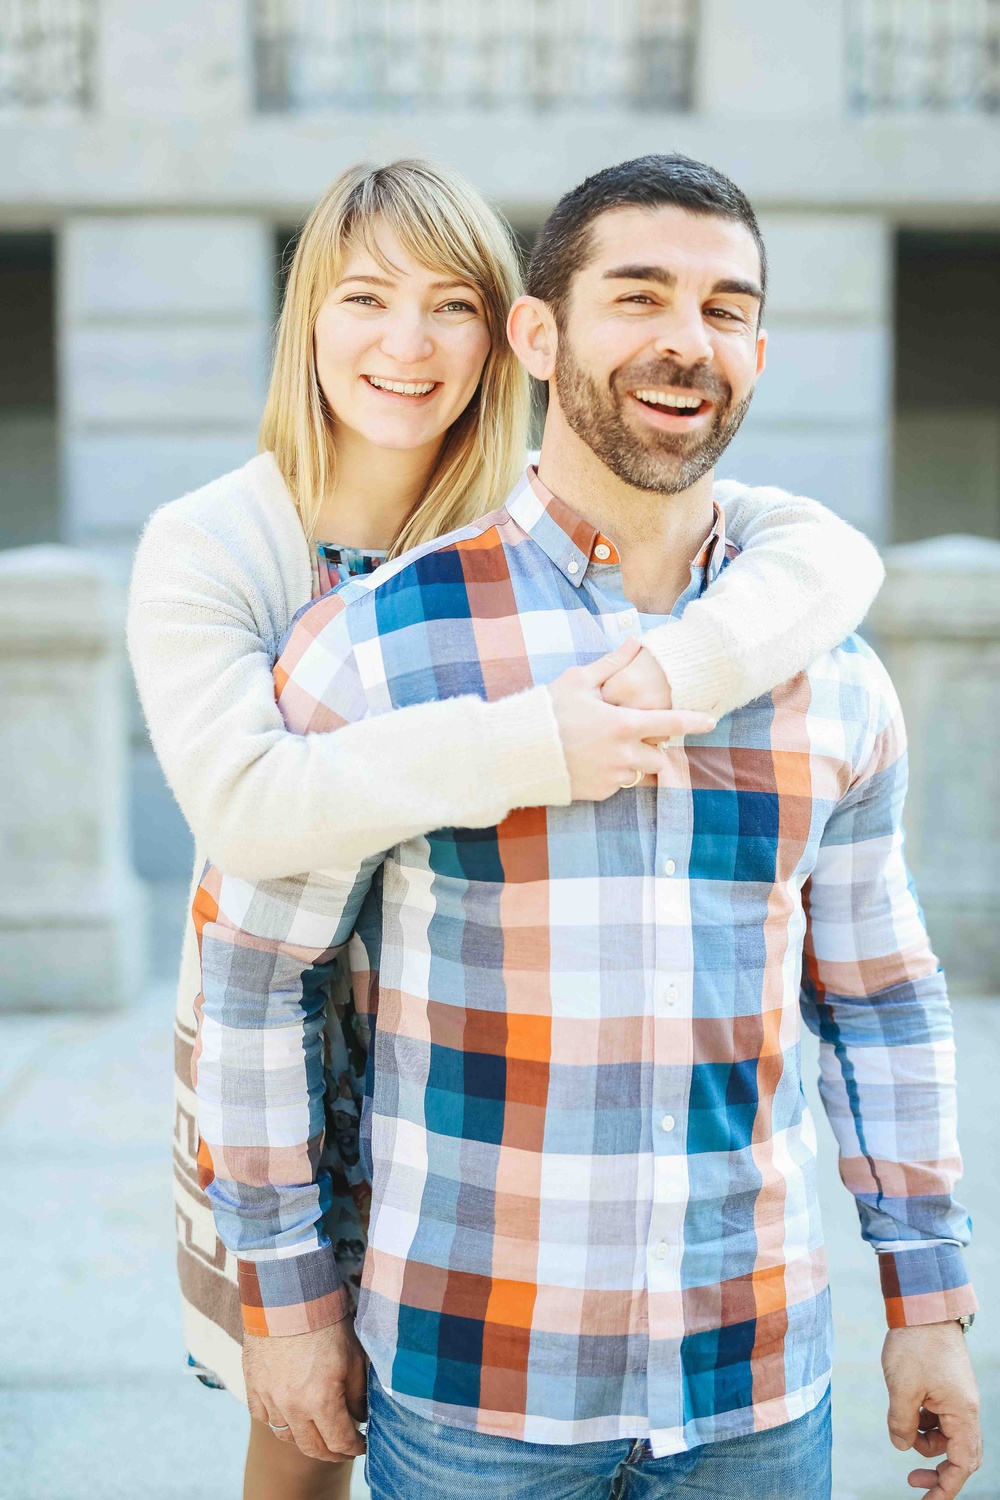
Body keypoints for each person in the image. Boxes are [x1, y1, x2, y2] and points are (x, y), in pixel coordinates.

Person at [130, 158, 888, 1500]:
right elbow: (244, 806)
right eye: (365, 300)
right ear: (306, 318)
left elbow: (825, 558)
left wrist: (672, 678)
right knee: (301, 1437)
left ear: (509, 335)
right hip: (302, 1040)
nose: (407, 345)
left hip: (478, 1058)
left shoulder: (526, 516)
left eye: (449, 306)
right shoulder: (218, 546)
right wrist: (543, 742)